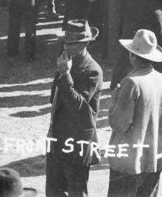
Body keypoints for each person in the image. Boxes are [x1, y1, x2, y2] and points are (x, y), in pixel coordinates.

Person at [107, 29, 162, 197]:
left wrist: (115, 99)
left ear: (132, 56)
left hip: (129, 162)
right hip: (154, 159)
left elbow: (118, 123)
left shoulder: (131, 82)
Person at [46, 20, 102, 197]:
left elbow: (78, 108)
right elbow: (54, 98)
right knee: (54, 191)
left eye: (72, 44)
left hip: (77, 143)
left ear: (85, 44)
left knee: (77, 192)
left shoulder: (92, 71)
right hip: (56, 137)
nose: (66, 47)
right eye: (66, 43)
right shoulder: (66, 61)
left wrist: (65, 74)